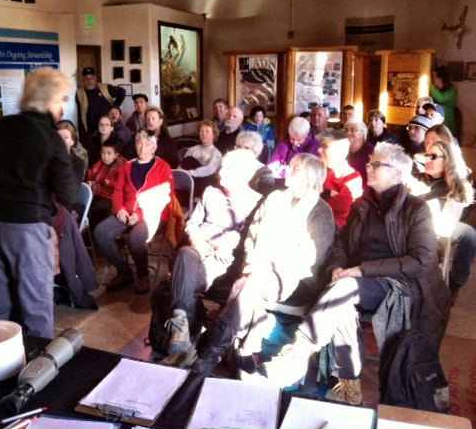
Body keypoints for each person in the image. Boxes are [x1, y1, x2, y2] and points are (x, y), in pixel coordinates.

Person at [266, 143, 451, 404]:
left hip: (402, 286)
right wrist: (338, 267)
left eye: (376, 164)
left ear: (397, 175)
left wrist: (362, 270)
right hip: (359, 283)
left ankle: (300, 351)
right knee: (341, 301)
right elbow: (341, 245)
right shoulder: (361, 205)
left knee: (343, 290)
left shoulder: (416, 209)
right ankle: (350, 387)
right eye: (369, 163)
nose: (368, 167)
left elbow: (419, 261)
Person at [192, 153, 336, 375]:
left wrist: (265, 266)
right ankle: (242, 351)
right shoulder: (274, 198)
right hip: (257, 271)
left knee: (246, 284)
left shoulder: (320, 211)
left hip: (296, 278)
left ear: (310, 177)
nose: (288, 169)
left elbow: (309, 259)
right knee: (248, 284)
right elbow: (252, 234)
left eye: (295, 168)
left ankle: (214, 351)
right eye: (290, 165)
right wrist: (253, 259)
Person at [0, 68, 78, 339]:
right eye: (62, 99)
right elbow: (68, 194)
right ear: (50, 100)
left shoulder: (0, 127)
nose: (62, 105)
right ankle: (36, 373)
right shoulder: (49, 137)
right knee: (36, 309)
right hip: (27, 229)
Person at [163, 150, 262, 357]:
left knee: (180, 281)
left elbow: (244, 236)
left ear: (243, 174)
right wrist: (198, 240)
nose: (220, 172)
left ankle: (185, 336)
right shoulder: (210, 192)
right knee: (184, 254)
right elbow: (192, 223)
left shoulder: (256, 201)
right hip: (198, 248)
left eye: (227, 168)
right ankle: (181, 325)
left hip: (224, 259)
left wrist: (213, 243)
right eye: (222, 167)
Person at [94, 129, 175, 295]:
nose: (142, 148)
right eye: (139, 143)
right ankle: (124, 271)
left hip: (152, 216)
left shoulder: (163, 167)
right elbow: (117, 193)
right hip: (126, 213)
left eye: (147, 145)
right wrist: (119, 209)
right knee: (100, 232)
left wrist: (140, 215)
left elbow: (165, 199)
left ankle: (143, 274)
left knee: (134, 239)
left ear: (154, 148)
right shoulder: (126, 166)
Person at [412, 140, 475, 301]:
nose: (427, 160)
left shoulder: (456, 185)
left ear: (447, 160)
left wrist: (427, 204)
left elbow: (443, 227)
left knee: (469, 235)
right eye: (427, 156)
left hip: (433, 229)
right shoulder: (417, 176)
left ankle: (456, 283)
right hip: (412, 226)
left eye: (433, 156)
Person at [317, 128, 362, 229]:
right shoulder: (323, 171)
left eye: (324, 146)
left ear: (339, 150)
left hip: (338, 233)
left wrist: (322, 194)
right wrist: (329, 194)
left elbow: (343, 206)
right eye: (320, 145)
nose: (319, 150)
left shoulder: (353, 178)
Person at [86, 137, 127, 230]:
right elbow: (92, 173)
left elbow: (123, 185)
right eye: (103, 153)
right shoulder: (100, 163)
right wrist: (89, 181)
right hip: (97, 194)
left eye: (109, 154)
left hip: (111, 198)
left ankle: (96, 236)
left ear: (116, 155)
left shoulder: (122, 167)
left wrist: (110, 183)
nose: (105, 156)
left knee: (96, 210)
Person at [76, 67, 126, 140]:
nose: (89, 81)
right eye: (86, 79)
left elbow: (122, 92)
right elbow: (79, 114)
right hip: (91, 130)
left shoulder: (105, 88)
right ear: (83, 80)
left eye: (91, 78)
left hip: (107, 128)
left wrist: (114, 108)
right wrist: (82, 132)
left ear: (95, 78)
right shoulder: (80, 93)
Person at [179, 120, 222, 198]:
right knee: (187, 161)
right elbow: (184, 165)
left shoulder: (216, 153)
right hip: (191, 180)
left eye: (207, 131)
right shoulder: (192, 149)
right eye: (201, 131)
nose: (204, 134)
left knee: (189, 159)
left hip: (206, 181)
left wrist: (190, 172)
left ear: (213, 135)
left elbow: (210, 169)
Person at [235, 131, 276, 198]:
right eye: (239, 146)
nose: (241, 150)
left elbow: (263, 200)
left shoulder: (266, 174)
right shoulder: (232, 166)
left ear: (256, 152)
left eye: (246, 148)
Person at [344, 118, 374, 189]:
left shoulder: (372, 151)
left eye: (353, 130)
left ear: (362, 134)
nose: (348, 133)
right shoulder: (342, 149)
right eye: (346, 130)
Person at [56, 119, 87, 183]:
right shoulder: (48, 157)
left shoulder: (78, 163)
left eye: (66, 138)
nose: (62, 141)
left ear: (72, 141)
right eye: (59, 137)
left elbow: (73, 188)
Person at [431, 65, 458, 136]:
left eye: (434, 77)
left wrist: (429, 84)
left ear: (441, 78)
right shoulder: (434, 90)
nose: (432, 80)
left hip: (447, 121)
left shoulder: (453, 91)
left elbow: (441, 99)